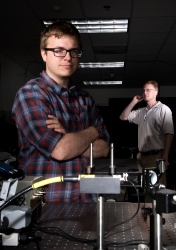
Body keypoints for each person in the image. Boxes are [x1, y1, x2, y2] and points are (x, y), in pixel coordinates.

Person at [12, 21, 110, 203]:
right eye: (58, 50)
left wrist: (69, 137)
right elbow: (60, 150)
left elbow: (103, 149)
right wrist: (92, 132)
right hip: (47, 207)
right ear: (44, 54)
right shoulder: (31, 94)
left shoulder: (84, 99)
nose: (67, 57)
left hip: (87, 203)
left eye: (74, 51)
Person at [119, 80, 174, 186]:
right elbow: (123, 117)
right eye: (143, 90)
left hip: (155, 156)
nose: (145, 92)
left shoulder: (163, 109)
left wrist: (165, 157)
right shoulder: (141, 111)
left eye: (148, 90)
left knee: (155, 190)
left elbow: (169, 134)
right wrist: (134, 102)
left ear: (156, 92)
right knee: (144, 189)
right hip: (141, 157)